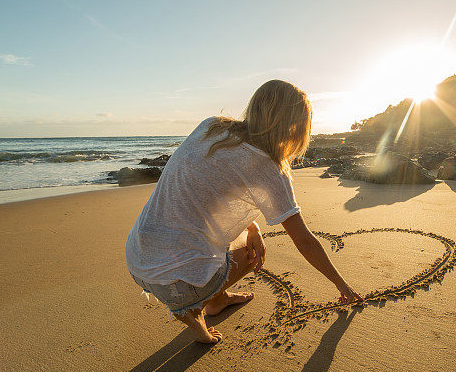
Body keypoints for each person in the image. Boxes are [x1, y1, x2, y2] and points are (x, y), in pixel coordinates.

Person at [125, 79, 362, 343]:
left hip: (137, 259)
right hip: (179, 284)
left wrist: (253, 227)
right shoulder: (271, 170)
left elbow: (203, 191)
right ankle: (194, 311)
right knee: (251, 252)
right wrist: (342, 285)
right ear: (294, 127)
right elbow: (304, 241)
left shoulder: (210, 127)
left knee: (224, 234)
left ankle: (216, 300)